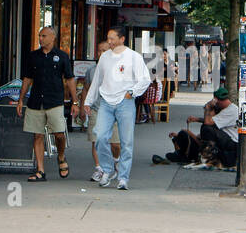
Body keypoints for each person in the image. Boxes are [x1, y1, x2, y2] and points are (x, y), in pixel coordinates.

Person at [84, 25, 150, 190]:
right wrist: (88, 101)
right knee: (99, 136)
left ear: (122, 39)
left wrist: (132, 92)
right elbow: (97, 80)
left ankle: (123, 178)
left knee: (126, 142)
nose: (110, 41)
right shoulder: (105, 57)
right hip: (106, 102)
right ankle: (106, 170)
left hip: (125, 103)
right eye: (108, 38)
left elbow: (145, 79)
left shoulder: (134, 57)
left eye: (113, 38)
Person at [16, 26, 76, 181]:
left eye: (43, 36)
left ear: (52, 37)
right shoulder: (33, 56)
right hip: (36, 100)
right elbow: (27, 78)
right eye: (39, 36)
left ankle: (61, 157)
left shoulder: (62, 56)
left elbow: (69, 79)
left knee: (59, 134)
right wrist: (21, 99)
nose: (40, 39)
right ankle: (40, 170)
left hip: (55, 100)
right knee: (37, 135)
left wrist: (75, 101)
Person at [154, 87, 238, 166]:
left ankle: (207, 156)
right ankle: (181, 154)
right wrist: (196, 119)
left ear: (218, 100)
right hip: (223, 140)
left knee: (206, 129)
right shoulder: (226, 109)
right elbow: (213, 121)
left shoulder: (231, 110)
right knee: (184, 135)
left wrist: (208, 108)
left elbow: (208, 122)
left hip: (231, 142)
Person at [85, 40, 121, 180]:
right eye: (99, 51)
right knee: (97, 140)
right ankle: (99, 169)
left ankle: (116, 162)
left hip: (114, 110)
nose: (101, 54)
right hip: (96, 109)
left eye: (105, 51)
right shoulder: (92, 70)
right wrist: (83, 106)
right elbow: (87, 89)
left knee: (115, 143)